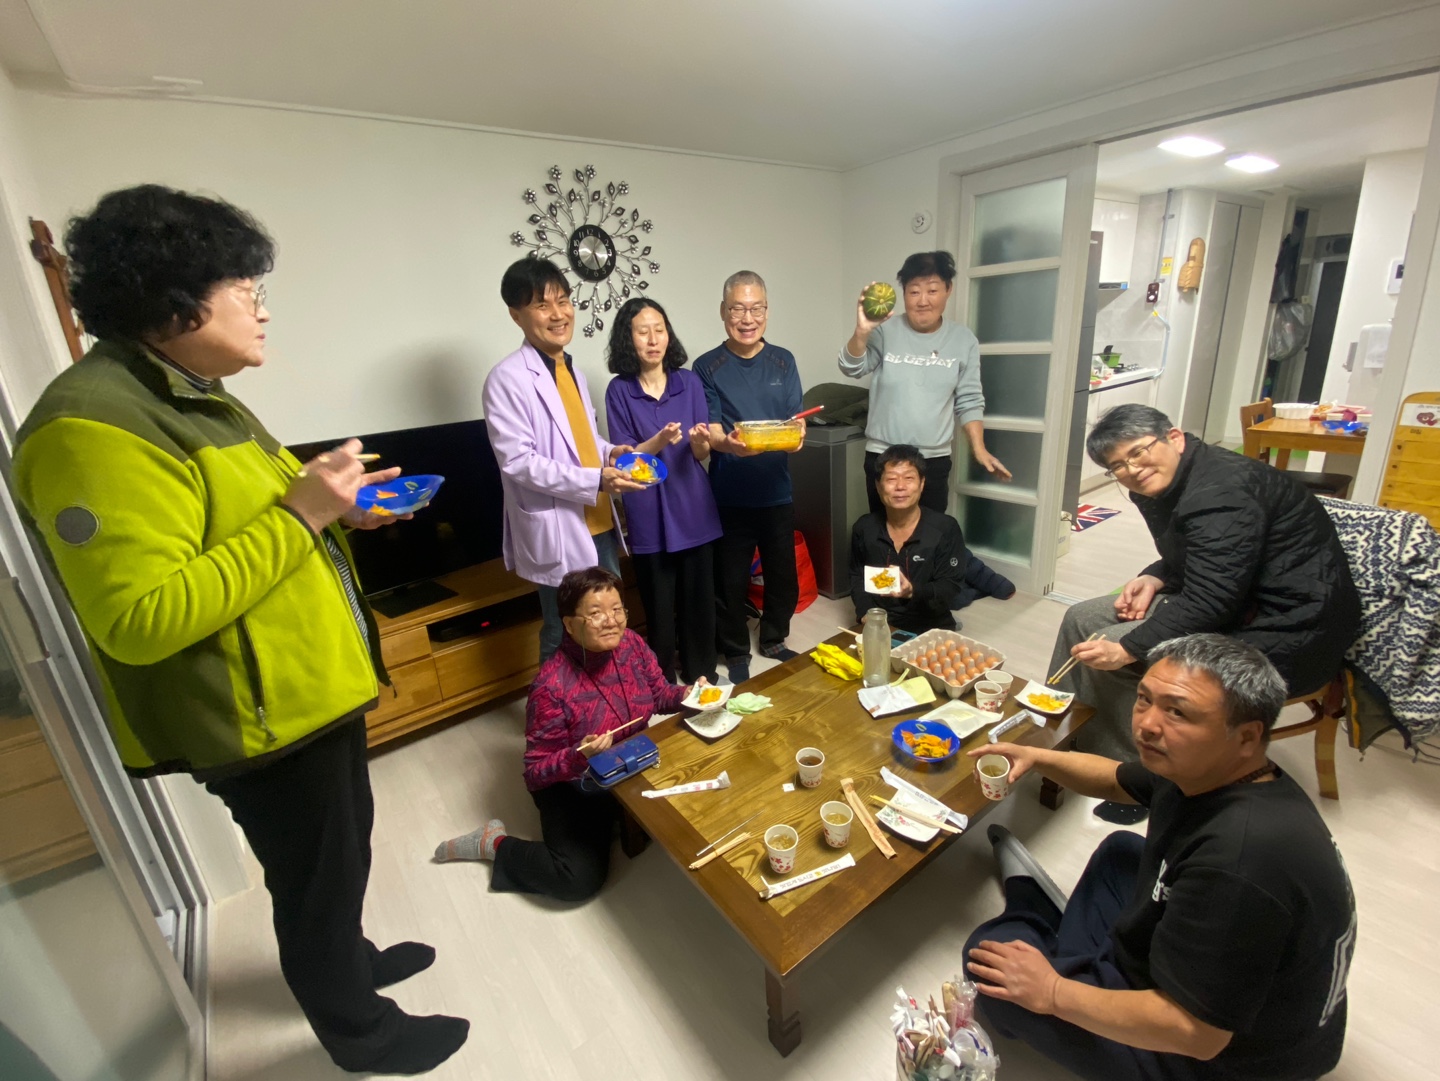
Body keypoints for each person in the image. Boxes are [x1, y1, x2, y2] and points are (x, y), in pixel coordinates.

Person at [10, 186, 468, 1074]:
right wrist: (304, 511)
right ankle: (360, 1033)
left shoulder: (198, 396)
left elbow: (249, 521)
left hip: (306, 690)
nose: (262, 309)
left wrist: (341, 508)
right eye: (246, 289)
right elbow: (140, 618)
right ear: (178, 300)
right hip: (255, 719)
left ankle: (349, 961)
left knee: (339, 857)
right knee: (313, 878)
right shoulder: (88, 428)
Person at [964, 634, 1355, 1081]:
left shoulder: (1240, 863)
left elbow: (1198, 1034)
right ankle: (1080, 959)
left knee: (987, 967)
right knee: (1121, 851)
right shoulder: (1217, 769)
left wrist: (1052, 991)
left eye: (1178, 712)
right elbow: (1114, 779)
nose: (1147, 724)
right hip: (1211, 976)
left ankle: (1042, 924)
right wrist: (1036, 757)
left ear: (1247, 736)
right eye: (1144, 699)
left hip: (1221, 1059)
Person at [1049, 404, 1361, 791]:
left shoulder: (1221, 490)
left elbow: (1213, 599)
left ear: (1174, 438)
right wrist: (1154, 576)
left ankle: (1137, 777)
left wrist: (1128, 649)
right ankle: (1062, 734)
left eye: (1138, 452)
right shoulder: (1170, 481)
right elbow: (1200, 552)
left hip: (1292, 628)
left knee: (1135, 659)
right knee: (1081, 618)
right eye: (1118, 466)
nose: (1132, 469)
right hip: (1240, 600)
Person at [433, 567, 690, 901]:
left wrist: (689, 696)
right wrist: (580, 756)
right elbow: (536, 772)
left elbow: (659, 695)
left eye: (617, 609)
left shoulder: (631, 644)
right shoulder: (551, 686)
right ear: (569, 624)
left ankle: (619, 818)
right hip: (573, 784)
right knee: (577, 878)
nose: (611, 621)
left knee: (689, 800)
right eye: (596, 614)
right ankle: (494, 843)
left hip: (629, 762)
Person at [483, 257, 644, 662]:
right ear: (516, 315)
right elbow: (518, 461)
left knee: (607, 622)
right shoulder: (506, 378)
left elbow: (580, 439)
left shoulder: (571, 370)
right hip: (561, 526)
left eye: (563, 300)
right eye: (542, 305)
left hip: (599, 519)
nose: (558, 314)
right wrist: (596, 480)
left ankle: (605, 698)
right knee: (564, 628)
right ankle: (551, 705)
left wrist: (610, 452)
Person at [693, 270, 805, 684]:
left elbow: (795, 423)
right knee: (730, 580)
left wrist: (797, 436)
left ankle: (774, 638)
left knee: (783, 575)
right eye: (738, 309)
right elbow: (711, 430)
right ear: (723, 311)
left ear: (767, 311)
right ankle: (736, 650)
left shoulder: (783, 360)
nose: (747, 318)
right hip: (729, 494)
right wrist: (730, 445)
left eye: (756, 309)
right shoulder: (707, 366)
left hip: (776, 490)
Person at [840, 250, 1011, 517]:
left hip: (932, 461)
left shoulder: (963, 340)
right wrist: (862, 332)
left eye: (932, 290)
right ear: (904, 293)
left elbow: (969, 399)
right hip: (884, 459)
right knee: (882, 533)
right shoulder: (884, 331)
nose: (922, 301)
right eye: (913, 291)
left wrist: (979, 449)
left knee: (931, 535)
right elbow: (852, 367)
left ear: (948, 289)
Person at [603, 298, 721, 684]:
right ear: (629, 338)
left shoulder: (689, 382)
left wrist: (700, 442)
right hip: (648, 510)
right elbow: (624, 461)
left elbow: (701, 453)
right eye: (643, 332)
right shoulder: (619, 390)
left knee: (698, 600)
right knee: (658, 604)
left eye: (660, 330)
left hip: (693, 503)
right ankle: (661, 683)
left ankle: (702, 673)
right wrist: (658, 440)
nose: (653, 339)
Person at [848, 445, 969, 633]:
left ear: (922, 484)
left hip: (931, 624)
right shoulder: (864, 528)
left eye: (909, 478)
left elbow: (951, 586)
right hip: (880, 622)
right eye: (891, 479)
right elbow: (857, 576)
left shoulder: (945, 528)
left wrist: (912, 590)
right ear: (878, 486)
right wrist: (865, 613)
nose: (900, 487)